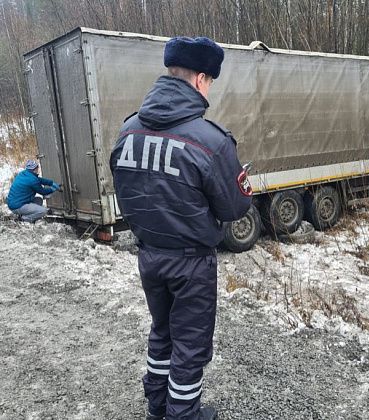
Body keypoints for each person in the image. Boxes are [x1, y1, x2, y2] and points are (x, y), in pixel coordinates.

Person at [110, 36, 252, 420]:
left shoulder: (128, 131)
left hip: (149, 255)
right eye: (210, 82)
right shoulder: (210, 140)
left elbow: (124, 191)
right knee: (190, 345)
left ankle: (158, 404)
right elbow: (236, 206)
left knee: (163, 333)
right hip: (191, 264)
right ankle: (184, 414)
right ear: (201, 79)